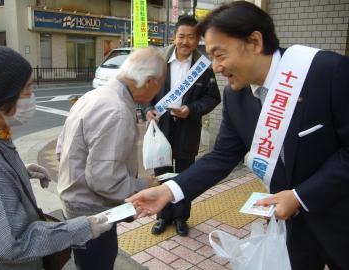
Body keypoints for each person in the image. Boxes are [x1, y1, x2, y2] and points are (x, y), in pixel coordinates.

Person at [127, 2, 349, 270]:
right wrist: (169, 190)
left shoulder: (327, 72)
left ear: (254, 41)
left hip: (340, 218)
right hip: (288, 225)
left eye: (219, 55)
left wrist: (301, 196)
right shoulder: (236, 96)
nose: (216, 67)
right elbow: (222, 156)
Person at [0, 44, 112, 270]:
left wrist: (21, 172)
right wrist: (82, 228)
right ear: (1, 97)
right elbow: (11, 245)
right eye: (27, 88)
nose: (32, 96)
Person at [56, 46, 165, 270]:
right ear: (149, 82)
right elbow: (104, 180)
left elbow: (60, 148)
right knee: (98, 262)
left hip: (75, 200)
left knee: (85, 262)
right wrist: (144, 185)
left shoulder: (92, 96)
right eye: (160, 85)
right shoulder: (117, 111)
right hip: (92, 210)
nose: (158, 91)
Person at [145, 15, 221, 237]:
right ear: (174, 36)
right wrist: (147, 109)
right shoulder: (158, 61)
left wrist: (192, 109)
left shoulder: (203, 66)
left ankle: (180, 218)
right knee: (162, 174)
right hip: (162, 128)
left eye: (191, 37)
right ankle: (163, 216)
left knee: (185, 176)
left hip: (188, 129)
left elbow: (213, 97)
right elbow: (146, 88)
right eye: (182, 36)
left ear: (198, 39)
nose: (186, 42)